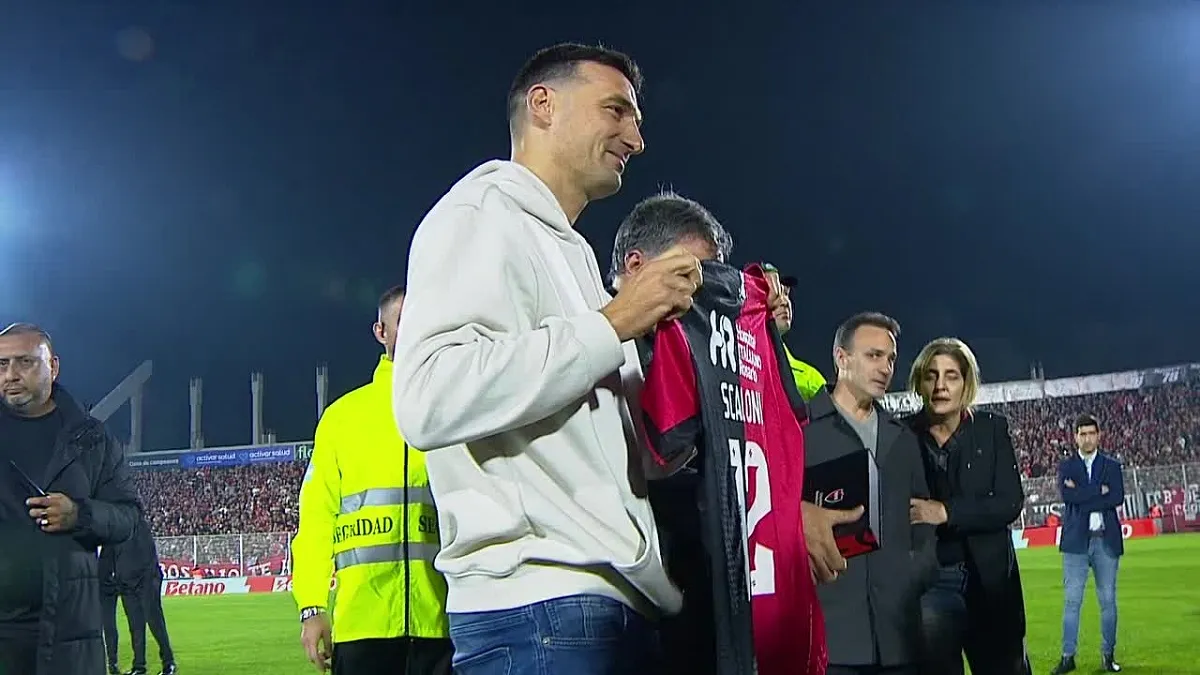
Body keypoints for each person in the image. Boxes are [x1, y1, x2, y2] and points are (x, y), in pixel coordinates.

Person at [392, 42, 697, 675]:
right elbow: (428, 396)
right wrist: (612, 322)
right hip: (541, 604)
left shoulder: (578, 255)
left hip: (606, 597)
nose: (635, 139)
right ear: (543, 105)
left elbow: (625, 450)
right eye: (617, 111)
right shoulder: (478, 216)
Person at [607, 193, 857, 674]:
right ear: (636, 266)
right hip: (621, 617)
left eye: (715, 281)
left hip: (708, 617)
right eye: (692, 275)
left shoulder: (716, 352)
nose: (707, 297)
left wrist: (786, 512)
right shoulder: (592, 345)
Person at [292, 286, 452, 674]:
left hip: (443, 625)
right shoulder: (342, 418)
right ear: (381, 332)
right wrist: (311, 607)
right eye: (403, 321)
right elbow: (315, 520)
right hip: (362, 629)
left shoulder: (453, 407)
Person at [0, 322, 141, 675]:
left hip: (69, 632)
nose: (11, 375)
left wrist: (80, 515)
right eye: (2, 365)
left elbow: (128, 517)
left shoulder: (90, 438)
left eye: (25, 362)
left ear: (54, 367)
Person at [802, 312, 936, 675]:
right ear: (841, 359)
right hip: (831, 635)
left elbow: (922, 518)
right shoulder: (801, 431)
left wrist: (913, 575)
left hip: (899, 638)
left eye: (890, 358)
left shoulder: (903, 438)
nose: (885, 367)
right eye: (873, 356)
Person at [904, 337, 1029, 675]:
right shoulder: (900, 435)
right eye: (931, 375)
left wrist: (946, 512)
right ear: (919, 382)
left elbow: (1008, 502)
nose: (940, 385)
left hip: (990, 583)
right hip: (931, 582)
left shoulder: (991, 429)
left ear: (966, 384)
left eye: (951, 376)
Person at [1051, 414, 1125, 674]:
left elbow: (1116, 497)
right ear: (1075, 437)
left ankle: (1108, 655)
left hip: (1106, 541)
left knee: (1108, 602)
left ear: (1099, 435)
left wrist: (1083, 495)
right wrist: (1098, 491)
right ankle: (1067, 657)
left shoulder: (1112, 466)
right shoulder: (1067, 467)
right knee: (1072, 603)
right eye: (1082, 434)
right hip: (1075, 544)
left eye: (1091, 433)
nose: (1087, 438)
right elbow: (1068, 496)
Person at [99, 512, 177, 675]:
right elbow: (108, 558)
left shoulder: (138, 525)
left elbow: (148, 554)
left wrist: (149, 579)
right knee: (135, 626)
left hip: (145, 581)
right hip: (126, 584)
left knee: (154, 620)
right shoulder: (114, 531)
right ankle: (139, 666)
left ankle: (168, 662)